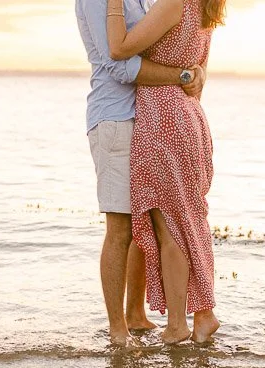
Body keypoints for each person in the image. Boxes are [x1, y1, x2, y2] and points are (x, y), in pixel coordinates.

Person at [76, 0, 206, 347]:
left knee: (144, 224)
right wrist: (182, 76)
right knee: (119, 227)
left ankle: (135, 314)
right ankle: (117, 329)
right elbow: (118, 65)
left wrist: (196, 71)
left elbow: (157, 42)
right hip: (116, 118)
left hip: (148, 118)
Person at [106, 0, 225, 345]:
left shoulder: (174, 3)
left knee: (169, 226)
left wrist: (113, 4)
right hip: (189, 116)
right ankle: (203, 315)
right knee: (189, 220)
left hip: (163, 120)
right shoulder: (206, 9)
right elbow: (199, 73)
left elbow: (119, 49)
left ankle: (177, 325)